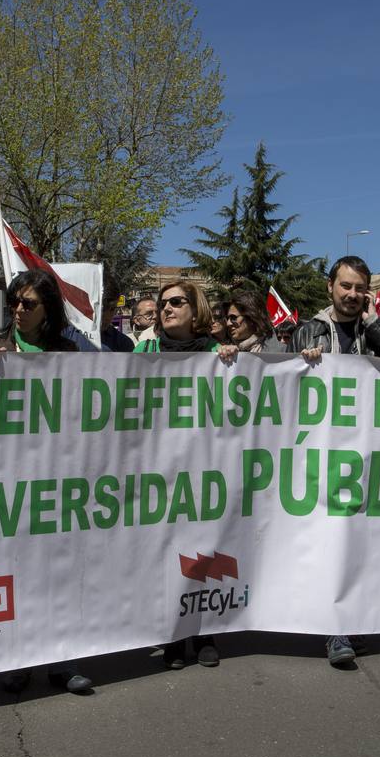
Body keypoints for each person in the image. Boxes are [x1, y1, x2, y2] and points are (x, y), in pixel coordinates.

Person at [0, 270, 94, 694]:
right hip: (10, 484)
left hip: (61, 483)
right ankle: (19, 659)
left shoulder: (70, 352)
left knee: (62, 574)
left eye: (29, 304)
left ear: (48, 310)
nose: (19, 310)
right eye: (15, 302)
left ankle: (65, 659)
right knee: (18, 573)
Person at [294, 256, 380, 666]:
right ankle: (335, 630)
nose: (352, 295)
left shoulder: (373, 328)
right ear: (330, 287)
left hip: (367, 454)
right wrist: (304, 356)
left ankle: (350, 620)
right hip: (322, 456)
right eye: (345, 286)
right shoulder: (311, 329)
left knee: (361, 541)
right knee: (331, 539)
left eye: (360, 288)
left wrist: (377, 323)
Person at [134, 280, 239, 667]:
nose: (166, 308)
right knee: (168, 552)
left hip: (204, 469)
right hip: (159, 470)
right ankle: (175, 638)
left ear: (196, 309)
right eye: (163, 303)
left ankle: (208, 633)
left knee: (206, 549)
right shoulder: (145, 349)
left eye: (176, 302)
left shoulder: (218, 353)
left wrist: (233, 358)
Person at [99, 276, 135, 353]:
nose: (107, 316)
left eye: (112, 309)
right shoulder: (69, 337)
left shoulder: (123, 343)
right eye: (103, 308)